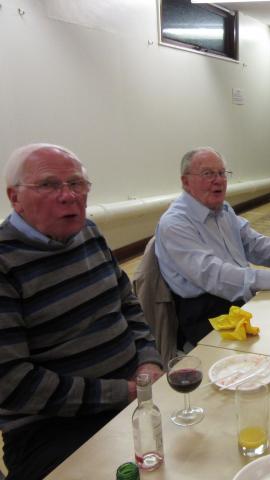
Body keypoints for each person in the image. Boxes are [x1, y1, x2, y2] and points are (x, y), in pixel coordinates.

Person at [0, 144, 163, 480]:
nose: (68, 196)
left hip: (130, 396)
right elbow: (12, 382)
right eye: (48, 185)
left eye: (77, 184)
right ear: (15, 197)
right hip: (52, 428)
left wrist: (149, 360)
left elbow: (128, 304)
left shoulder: (88, 232)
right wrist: (122, 392)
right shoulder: (5, 262)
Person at [155, 147, 270, 349]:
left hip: (239, 297)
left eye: (222, 173)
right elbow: (214, 275)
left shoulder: (222, 210)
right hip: (206, 313)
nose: (218, 180)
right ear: (186, 182)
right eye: (208, 174)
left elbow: (254, 243)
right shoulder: (175, 224)